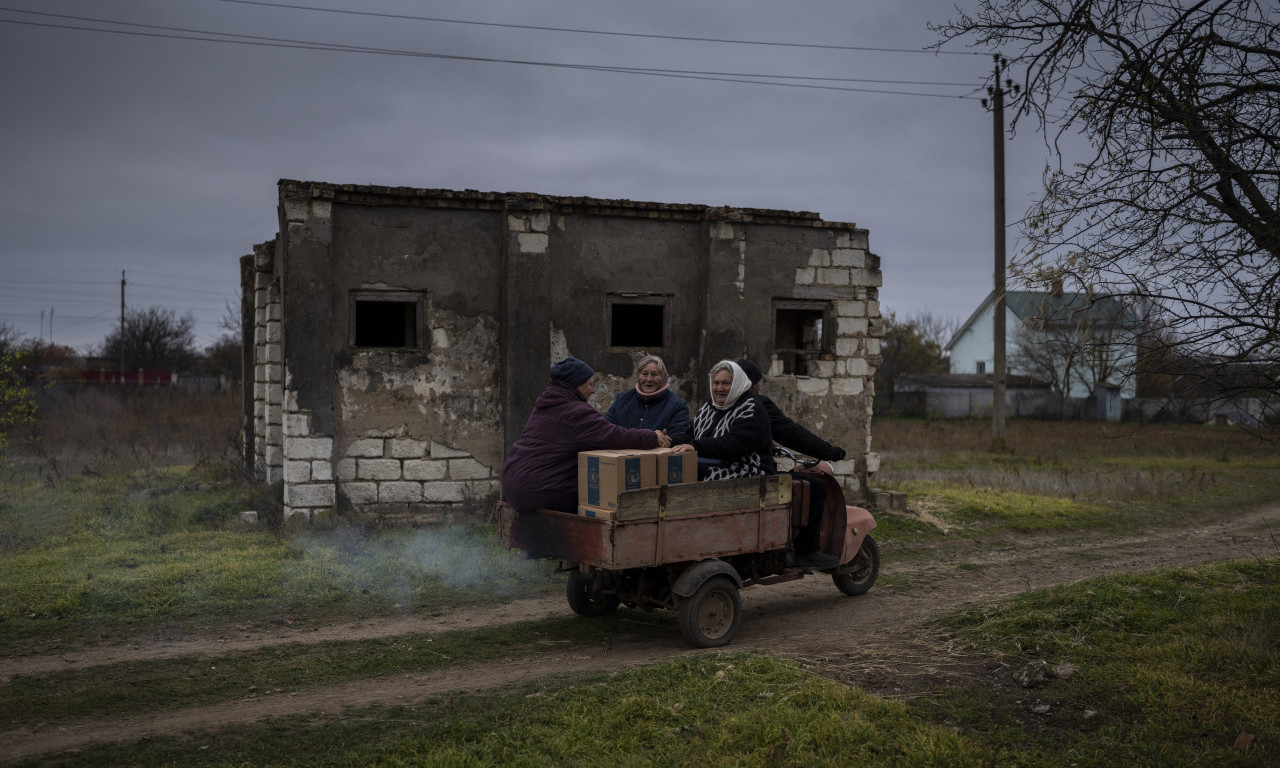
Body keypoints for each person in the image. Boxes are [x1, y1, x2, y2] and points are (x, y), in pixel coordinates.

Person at [501, 357, 671, 514]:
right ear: (576, 386)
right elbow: (613, 435)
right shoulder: (576, 412)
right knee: (597, 492)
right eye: (590, 384)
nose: (593, 390)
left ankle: (540, 546)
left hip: (512, 482)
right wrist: (652, 437)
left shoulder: (545, 405)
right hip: (535, 489)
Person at [736, 358, 842, 569]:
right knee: (816, 487)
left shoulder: (715, 404)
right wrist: (829, 451)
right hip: (755, 477)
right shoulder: (757, 404)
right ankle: (807, 551)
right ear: (754, 384)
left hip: (725, 477)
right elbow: (793, 434)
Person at [670, 360, 775, 482]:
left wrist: (696, 447)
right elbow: (692, 435)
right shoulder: (709, 406)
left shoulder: (751, 408)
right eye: (716, 383)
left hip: (748, 473)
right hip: (712, 466)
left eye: (726, 383)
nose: (719, 388)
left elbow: (735, 444)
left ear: (737, 383)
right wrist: (670, 441)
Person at [604, 355, 691, 445]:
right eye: (645, 374)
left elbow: (679, 439)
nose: (649, 379)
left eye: (654, 374)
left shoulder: (678, 406)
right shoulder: (622, 400)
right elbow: (606, 429)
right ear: (639, 376)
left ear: (663, 377)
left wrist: (666, 440)